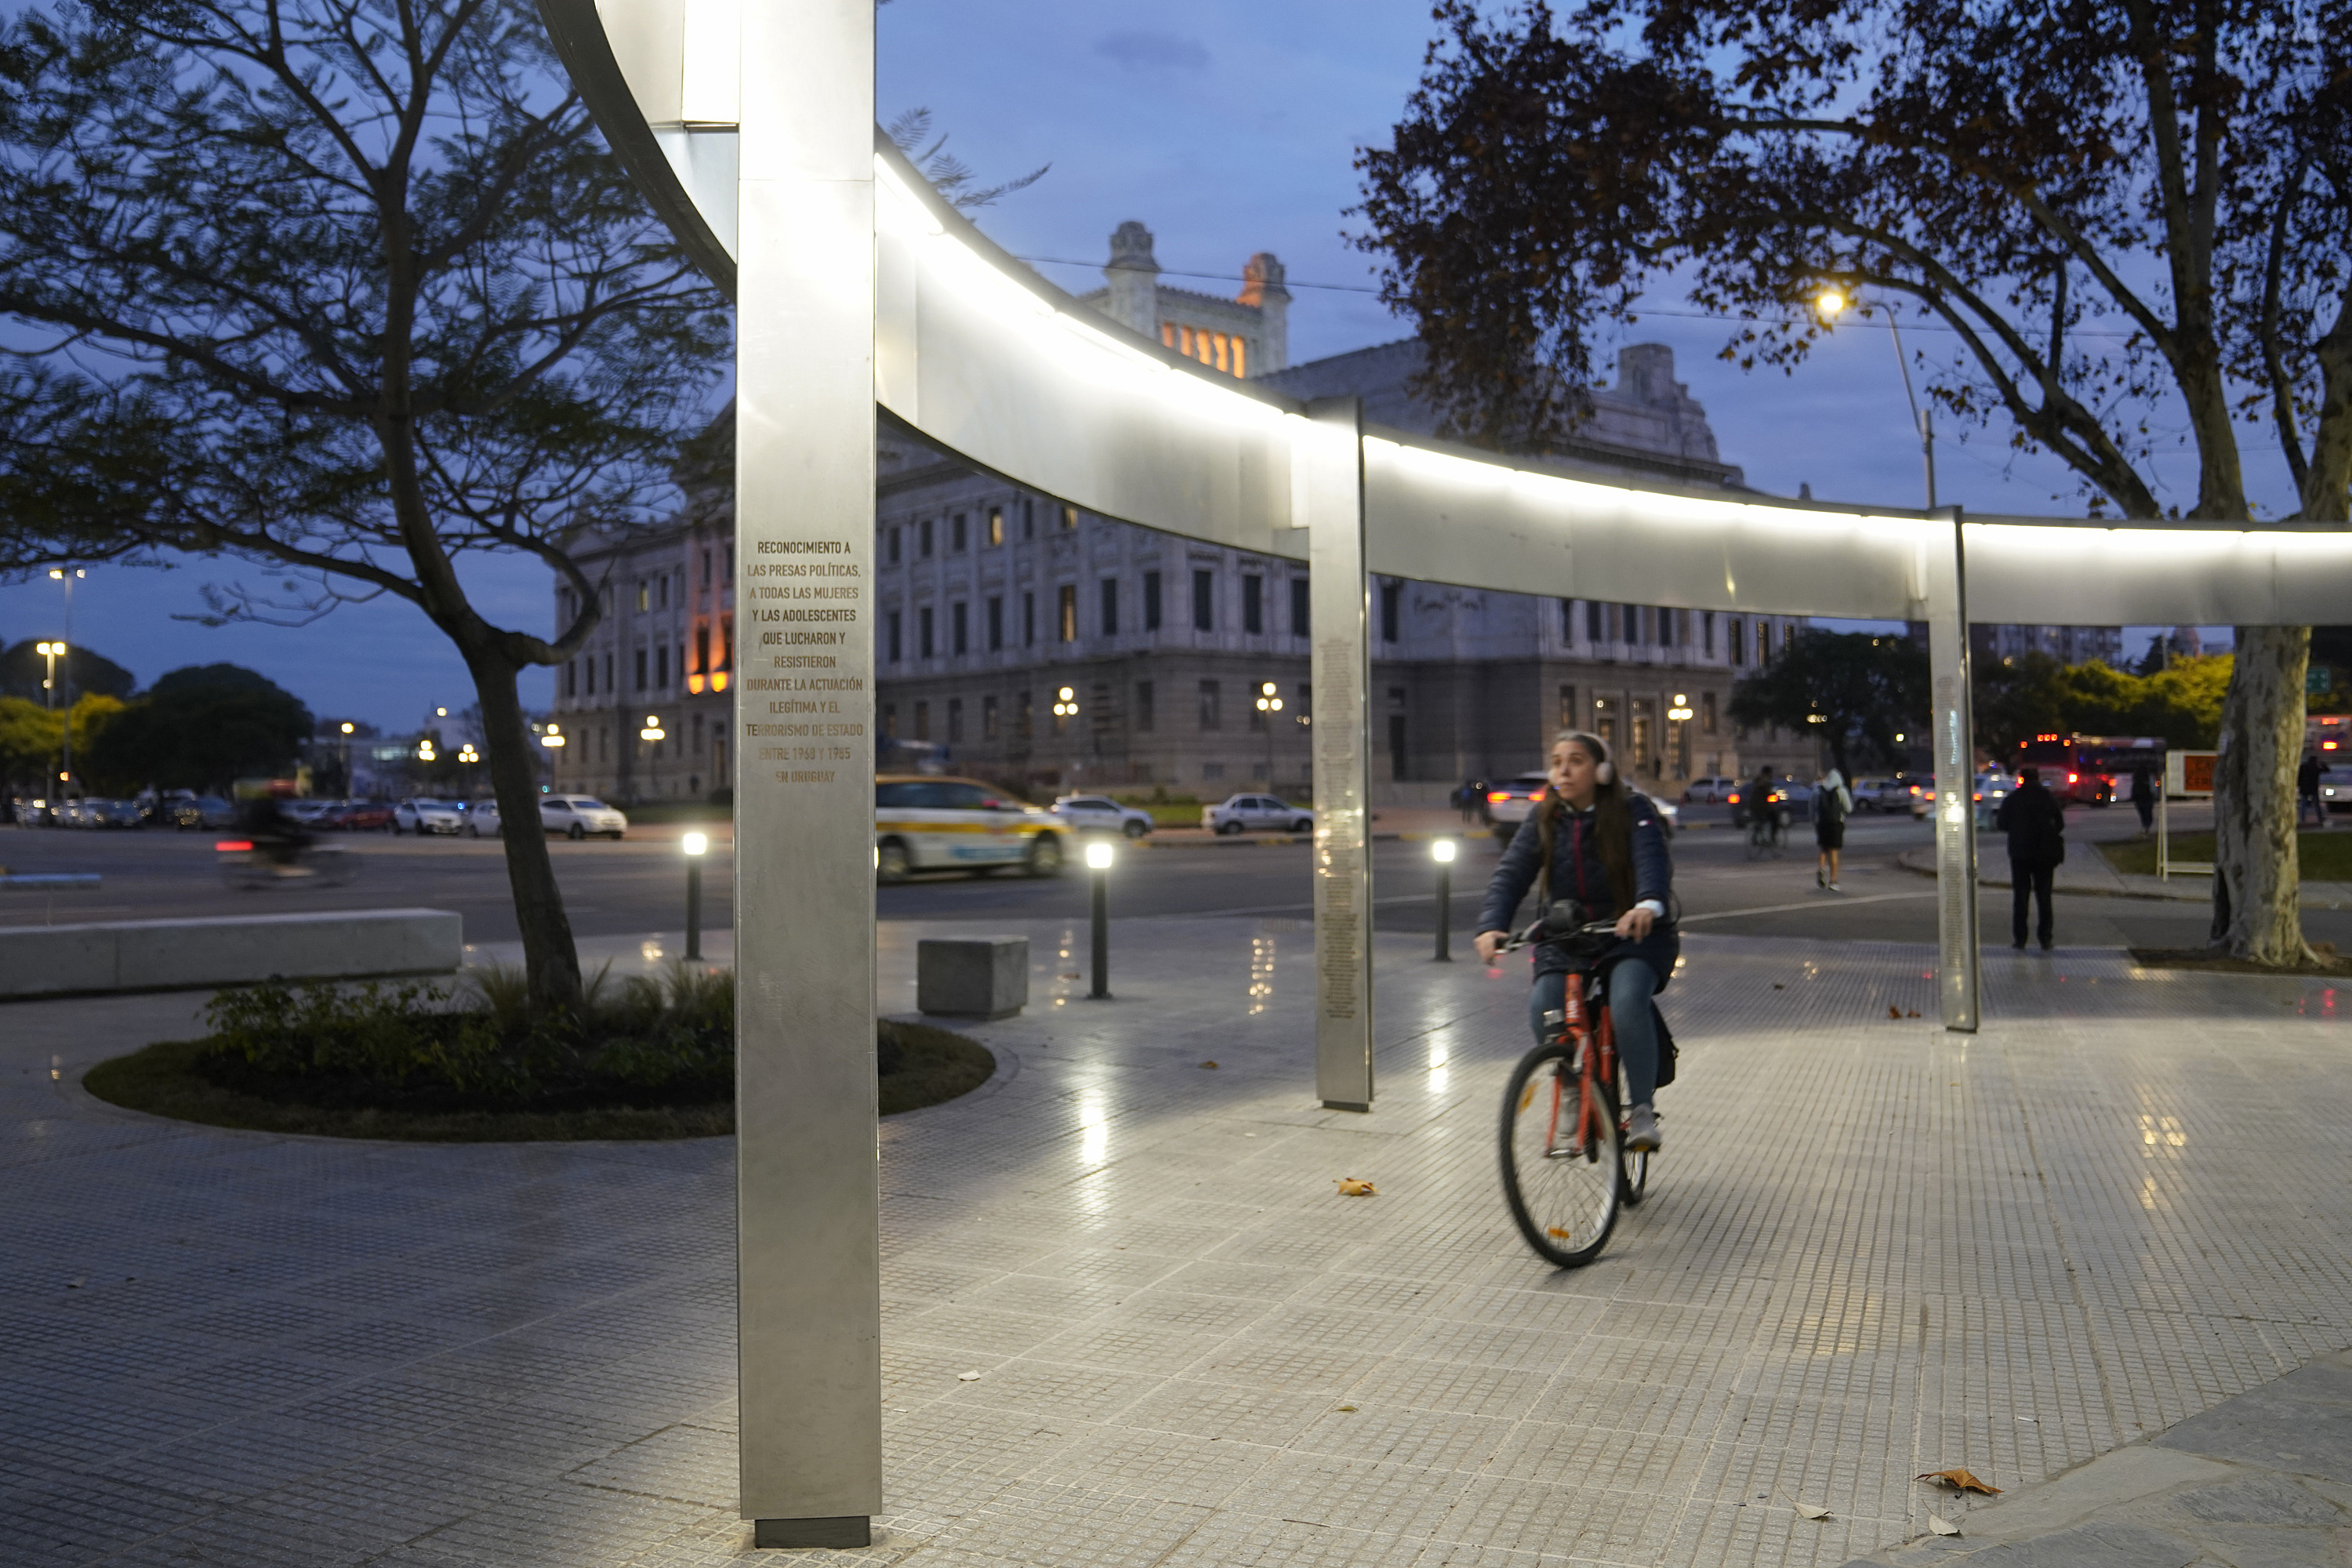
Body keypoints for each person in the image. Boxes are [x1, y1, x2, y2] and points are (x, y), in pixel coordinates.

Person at [1474, 731, 1677, 1152]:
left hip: (1631, 931)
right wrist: (1491, 925)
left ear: (1601, 771)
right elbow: (1512, 872)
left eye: (1576, 760)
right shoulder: (1546, 816)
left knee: (1624, 1001)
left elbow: (1651, 862)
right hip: (1566, 932)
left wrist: (1647, 905)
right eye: (1557, 760)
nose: (1562, 770)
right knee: (1542, 1009)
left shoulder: (1632, 809)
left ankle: (1641, 1110)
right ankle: (1570, 1088)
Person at [1993, 765, 2066, 951]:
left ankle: (2020, 939)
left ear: (2021, 779)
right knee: (2044, 897)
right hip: (2044, 854)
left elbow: (2002, 824)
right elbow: (2060, 824)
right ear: (2038, 778)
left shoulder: (2013, 799)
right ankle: (2045, 939)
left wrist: (2018, 830)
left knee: (2021, 897)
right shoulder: (2048, 798)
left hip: (2020, 854)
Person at [1814, 768, 1853, 891]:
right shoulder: (1841, 791)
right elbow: (1848, 809)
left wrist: (1815, 821)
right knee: (1834, 852)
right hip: (1836, 824)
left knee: (1823, 848)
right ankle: (1833, 880)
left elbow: (1813, 808)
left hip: (1822, 823)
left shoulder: (1819, 791)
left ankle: (1821, 868)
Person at [2299, 753, 2325, 829]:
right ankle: (2320, 818)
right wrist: (2323, 764)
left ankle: (2302, 818)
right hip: (2313, 788)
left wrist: (2299, 785)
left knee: (2303, 804)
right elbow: (2326, 770)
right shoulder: (2315, 767)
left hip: (2304, 788)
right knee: (2317, 804)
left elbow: (2299, 776)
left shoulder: (2303, 766)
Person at [2130, 764, 2157, 838]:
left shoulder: (2136, 778)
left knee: (2143, 815)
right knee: (2148, 815)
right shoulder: (2148, 778)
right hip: (2147, 798)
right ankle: (2146, 829)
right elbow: (2153, 789)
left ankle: (2144, 828)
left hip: (2138, 800)